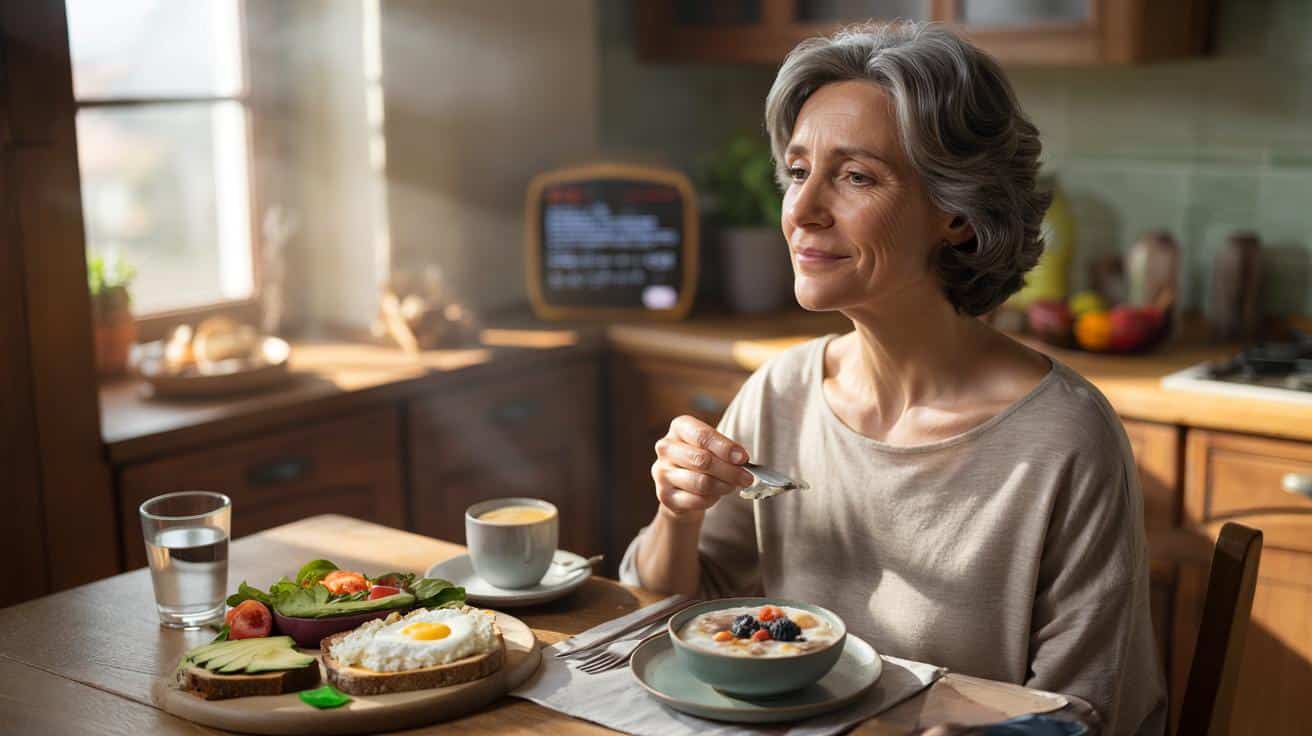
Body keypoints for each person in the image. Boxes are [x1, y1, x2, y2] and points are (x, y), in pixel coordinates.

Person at [620, 21, 1165, 736]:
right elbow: (660, 622)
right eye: (798, 171)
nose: (802, 210)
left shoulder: (1064, 437)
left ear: (957, 214)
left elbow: (1088, 714)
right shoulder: (781, 391)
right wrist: (677, 513)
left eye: (855, 177)